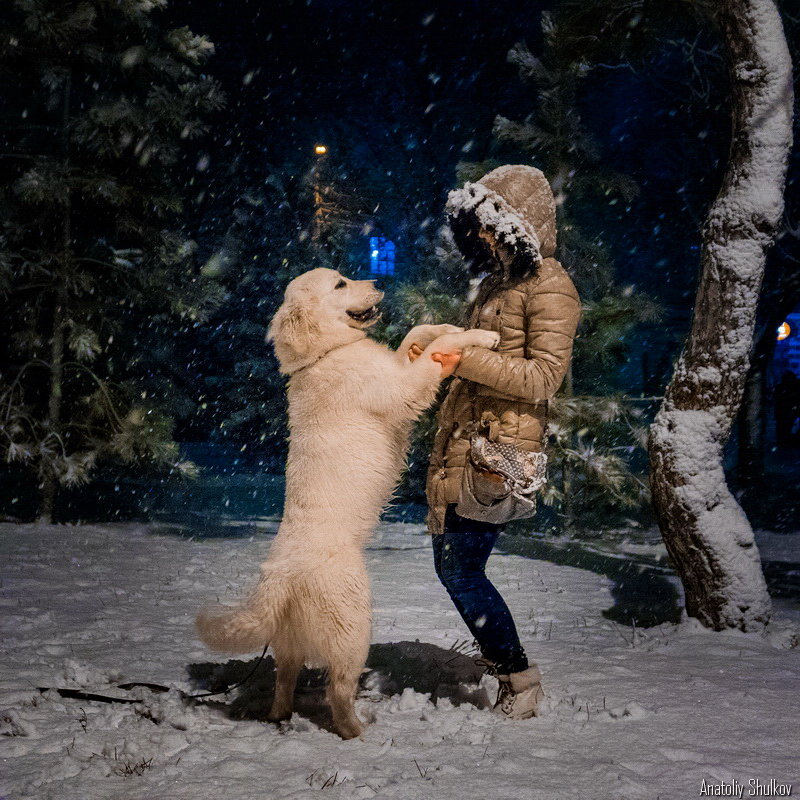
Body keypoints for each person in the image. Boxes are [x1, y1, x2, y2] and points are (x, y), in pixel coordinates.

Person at [412, 165, 581, 720]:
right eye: (477, 226)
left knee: (459, 569)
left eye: (491, 224)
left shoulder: (550, 286)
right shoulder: (496, 286)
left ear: (518, 223)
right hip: (467, 440)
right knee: (454, 566)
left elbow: (543, 377)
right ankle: (512, 671)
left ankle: (519, 679)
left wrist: (467, 360)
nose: (483, 236)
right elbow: (482, 351)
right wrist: (441, 345)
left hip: (499, 451)